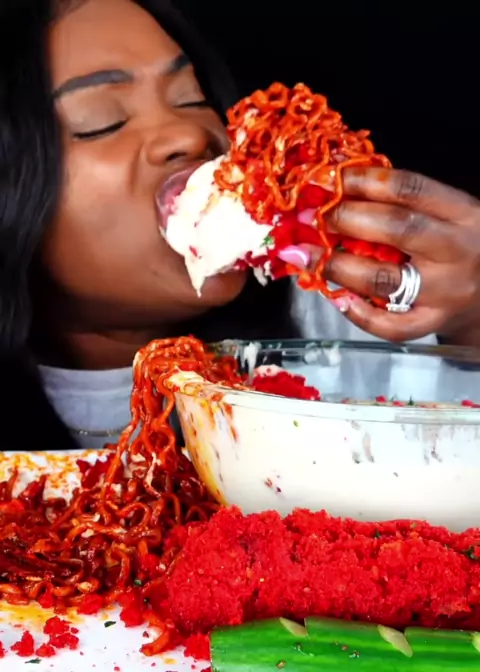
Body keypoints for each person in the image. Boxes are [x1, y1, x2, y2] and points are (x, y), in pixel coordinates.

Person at [1, 0, 480, 453]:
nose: (191, 135)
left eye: (191, 99)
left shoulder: (339, 311)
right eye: (103, 122)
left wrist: (468, 316)